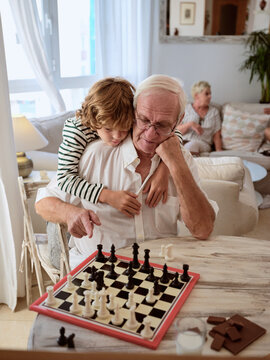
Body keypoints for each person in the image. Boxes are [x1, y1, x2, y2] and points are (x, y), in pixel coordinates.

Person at [36, 75, 217, 268]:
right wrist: (70, 213)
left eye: (162, 125)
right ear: (133, 111)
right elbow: (43, 203)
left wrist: (173, 164)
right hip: (99, 271)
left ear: (178, 121)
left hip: (158, 270)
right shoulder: (94, 154)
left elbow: (203, 229)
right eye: (144, 120)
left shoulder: (182, 159)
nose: (149, 134)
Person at [57, 77, 184, 213]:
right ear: (94, 119)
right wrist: (108, 196)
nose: (117, 136)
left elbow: (176, 136)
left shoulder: (127, 119)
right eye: (108, 129)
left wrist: (163, 169)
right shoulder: (76, 132)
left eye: (124, 128)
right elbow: (64, 179)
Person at [176, 81, 222, 155]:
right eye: (207, 94)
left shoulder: (214, 112)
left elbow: (216, 135)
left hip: (203, 143)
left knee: (192, 145)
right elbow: (176, 131)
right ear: (196, 96)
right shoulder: (185, 109)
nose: (210, 96)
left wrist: (219, 152)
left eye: (210, 94)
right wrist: (190, 124)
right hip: (183, 140)